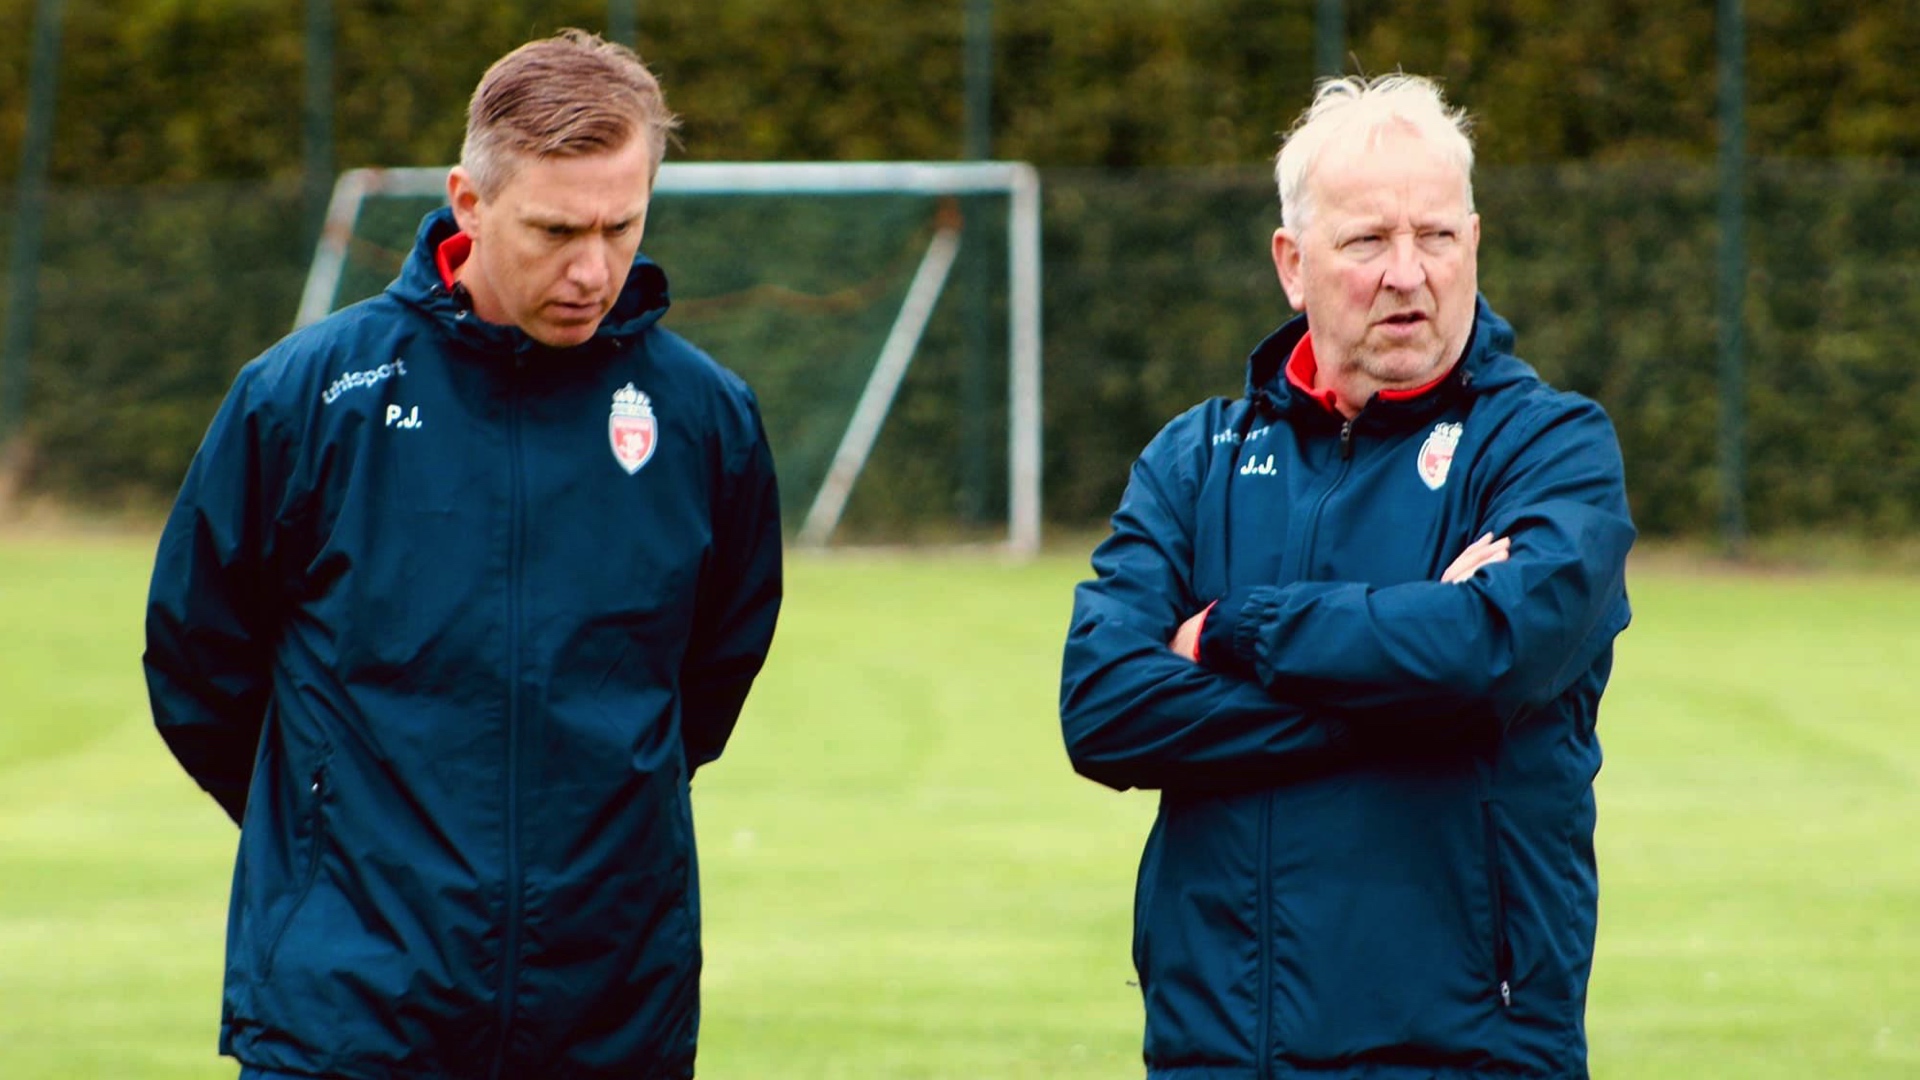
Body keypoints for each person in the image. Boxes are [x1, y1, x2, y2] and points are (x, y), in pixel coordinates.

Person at [143, 30, 782, 1080]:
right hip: (348, 1004)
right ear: (470, 202)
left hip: (611, 1005)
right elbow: (198, 663)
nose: (592, 269)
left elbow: (711, 675)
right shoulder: (306, 399)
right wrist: (330, 821)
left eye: (623, 226)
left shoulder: (704, 418)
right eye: (555, 229)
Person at [1059, 73, 1634, 1079]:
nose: (1408, 273)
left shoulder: (1550, 449)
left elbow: (1490, 653)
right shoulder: (1194, 461)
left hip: (1465, 1049)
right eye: (1368, 241)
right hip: (1217, 1048)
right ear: (1293, 264)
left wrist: (1237, 631)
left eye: (1438, 236)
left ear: (1474, 244)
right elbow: (1104, 709)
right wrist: (1411, 691)